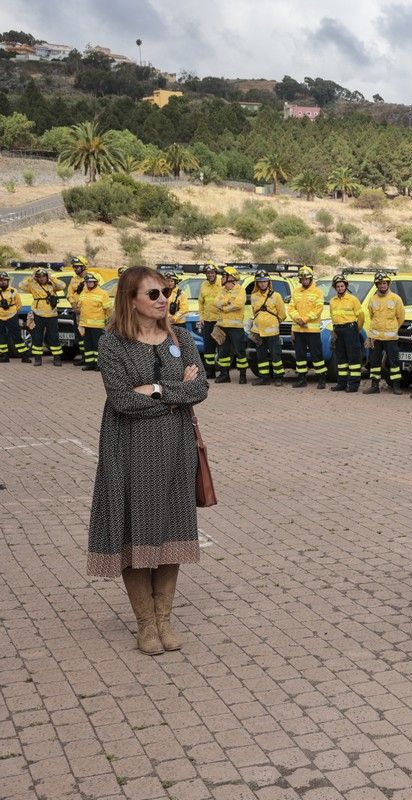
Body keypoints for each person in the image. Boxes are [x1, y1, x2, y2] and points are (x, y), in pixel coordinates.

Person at [87, 266, 209, 655]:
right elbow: (121, 399)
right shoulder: (112, 344)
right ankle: (144, 624)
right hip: (130, 448)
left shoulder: (181, 337)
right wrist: (177, 393)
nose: (163, 300)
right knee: (136, 531)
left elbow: (201, 388)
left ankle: (164, 621)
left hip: (177, 447)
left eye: (166, 292)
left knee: (172, 528)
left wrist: (155, 389)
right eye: (153, 293)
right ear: (131, 300)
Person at [364, 272, 404, 395]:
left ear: (388, 284)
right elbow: (371, 315)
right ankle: (374, 385)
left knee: (394, 362)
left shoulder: (396, 298)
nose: (382, 286)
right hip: (376, 337)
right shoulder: (372, 299)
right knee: (375, 362)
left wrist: (393, 328)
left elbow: (401, 317)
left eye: (384, 283)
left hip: (391, 337)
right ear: (377, 285)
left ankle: (396, 386)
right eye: (380, 284)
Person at [288, 266, 327, 389]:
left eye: (307, 279)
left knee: (317, 355)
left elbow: (318, 309)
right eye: (302, 279)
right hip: (298, 329)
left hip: (312, 330)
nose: (304, 281)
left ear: (311, 279)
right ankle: (301, 379)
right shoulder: (296, 292)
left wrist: (305, 319)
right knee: (300, 355)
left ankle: (321, 379)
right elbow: (291, 307)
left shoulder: (318, 292)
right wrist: (297, 319)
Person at [20, 267, 65, 366]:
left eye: (44, 276)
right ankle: (37, 359)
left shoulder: (52, 284)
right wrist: (31, 277)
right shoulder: (33, 285)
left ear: (46, 276)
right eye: (39, 277)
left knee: (54, 337)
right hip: (38, 314)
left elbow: (62, 285)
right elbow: (21, 286)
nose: (42, 278)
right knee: (37, 337)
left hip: (52, 315)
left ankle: (57, 358)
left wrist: (51, 277)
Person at [249, 270, 287, 386]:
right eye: (260, 282)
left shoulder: (276, 296)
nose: (262, 284)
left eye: (264, 281)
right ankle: (264, 378)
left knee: (276, 355)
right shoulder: (254, 296)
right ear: (257, 283)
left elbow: (282, 314)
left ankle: (278, 377)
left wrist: (273, 323)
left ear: (268, 282)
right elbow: (254, 312)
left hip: (272, 332)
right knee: (261, 356)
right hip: (258, 332)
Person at [328, 273, 364, 393]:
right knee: (341, 358)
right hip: (338, 330)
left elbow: (361, 316)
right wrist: (334, 331)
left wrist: (356, 330)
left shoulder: (353, 299)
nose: (340, 288)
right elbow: (333, 317)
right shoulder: (332, 301)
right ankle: (341, 383)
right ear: (335, 288)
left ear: (346, 286)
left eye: (342, 286)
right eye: (338, 286)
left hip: (350, 329)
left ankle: (353, 385)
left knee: (353, 358)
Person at [214, 266, 249, 385]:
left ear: (231, 277)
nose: (221, 278)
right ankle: (224, 375)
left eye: (223, 276)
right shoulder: (221, 290)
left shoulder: (240, 290)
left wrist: (225, 308)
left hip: (236, 328)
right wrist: (226, 302)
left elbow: (238, 304)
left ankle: (243, 375)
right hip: (222, 326)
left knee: (240, 352)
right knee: (223, 352)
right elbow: (216, 303)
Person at [76, 272, 113, 371]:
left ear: (96, 282)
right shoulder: (83, 293)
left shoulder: (102, 293)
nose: (89, 284)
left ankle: (98, 365)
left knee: (97, 346)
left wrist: (111, 322)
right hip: (85, 324)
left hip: (97, 325)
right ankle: (90, 364)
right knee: (87, 345)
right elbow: (79, 307)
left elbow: (108, 309)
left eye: (91, 282)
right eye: (87, 282)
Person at [197, 262, 222, 378]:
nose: (210, 275)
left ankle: (223, 372)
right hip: (207, 320)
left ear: (215, 273)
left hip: (220, 321)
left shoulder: (222, 282)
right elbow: (201, 303)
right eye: (208, 273)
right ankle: (210, 371)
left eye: (212, 272)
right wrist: (201, 317)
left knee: (222, 347)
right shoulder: (203, 285)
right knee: (208, 347)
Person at [0, 271, 30, 363]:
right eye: (1, 280)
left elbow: (19, 305)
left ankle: (24, 356)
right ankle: (4, 356)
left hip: (12, 317)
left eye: (4, 280)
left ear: (8, 281)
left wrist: (12, 313)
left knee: (16, 337)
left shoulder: (13, 291)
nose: (3, 282)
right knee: (1, 338)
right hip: (0, 318)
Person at [67, 256, 89, 365]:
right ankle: (84, 357)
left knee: (90, 335)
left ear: (84, 267)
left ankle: (92, 359)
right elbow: (69, 294)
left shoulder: (93, 277)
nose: (75, 269)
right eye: (74, 267)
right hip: (77, 312)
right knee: (80, 335)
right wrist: (74, 305)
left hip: (90, 312)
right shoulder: (73, 279)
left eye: (77, 267)